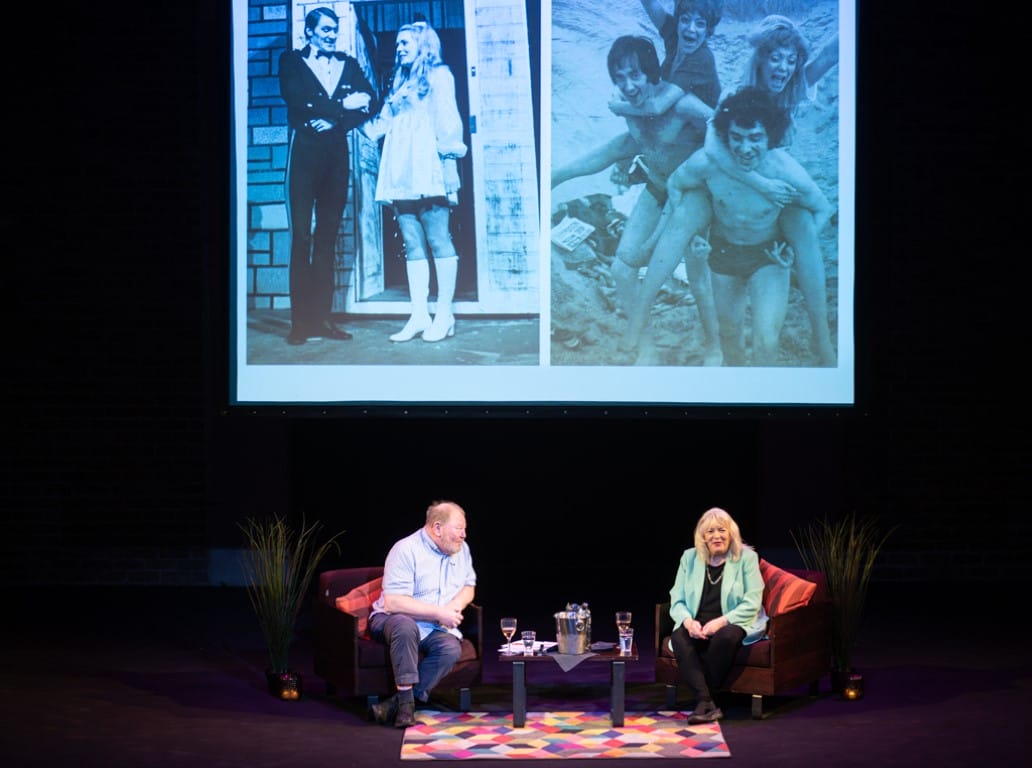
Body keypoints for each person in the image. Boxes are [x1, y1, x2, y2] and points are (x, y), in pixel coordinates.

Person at [551, 25, 722, 363]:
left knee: (698, 276)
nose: (628, 86)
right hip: (657, 189)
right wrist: (561, 176)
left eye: (635, 75)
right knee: (620, 269)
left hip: (691, 196)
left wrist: (709, 186)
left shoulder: (682, 104)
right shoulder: (629, 108)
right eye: (619, 77)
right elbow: (625, 147)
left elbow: (718, 129)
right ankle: (647, 347)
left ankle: (714, 346)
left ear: (650, 72)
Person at [660, 86, 832, 365]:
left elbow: (823, 208)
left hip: (767, 257)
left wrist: (791, 247)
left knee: (767, 342)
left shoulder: (784, 170)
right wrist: (693, 233)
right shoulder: (708, 164)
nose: (745, 148)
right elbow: (675, 185)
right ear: (726, 137)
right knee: (729, 335)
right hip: (723, 254)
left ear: (770, 138)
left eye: (755, 138)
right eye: (736, 138)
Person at [704, 14, 839, 365]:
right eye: (776, 57)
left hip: (777, 184)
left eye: (791, 60)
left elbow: (827, 55)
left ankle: (821, 339)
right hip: (739, 180)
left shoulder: (794, 85)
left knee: (805, 230)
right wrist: (758, 183)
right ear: (761, 58)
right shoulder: (737, 91)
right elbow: (711, 147)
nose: (783, 67)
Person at [362, 21, 468, 343]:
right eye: (397, 45)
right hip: (400, 167)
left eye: (405, 43)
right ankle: (419, 314)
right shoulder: (398, 80)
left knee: (438, 238)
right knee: (411, 241)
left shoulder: (439, 75)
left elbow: (449, 122)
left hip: (428, 166)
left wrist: (449, 163)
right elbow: (382, 123)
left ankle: (445, 313)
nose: (399, 49)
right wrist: (349, 119)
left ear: (423, 45)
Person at [278, 7, 376, 346]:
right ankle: (299, 323)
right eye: (326, 30)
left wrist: (336, 119)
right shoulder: (291, 61)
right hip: (304, 155)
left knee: (327, 239)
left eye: (335, 30)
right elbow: (296, 99)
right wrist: (341, 106)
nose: (332, 35)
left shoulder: (348, 64)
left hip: (336, 157)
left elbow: (369, 100)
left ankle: (322, 318)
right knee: (302, 238)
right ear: (310, 31)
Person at [367, 500, 476, 728]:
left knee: (450, 648)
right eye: (459, 529)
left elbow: (469, 586)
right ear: (437, 528)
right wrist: (439, 612)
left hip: (432, 625)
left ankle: (396, 704)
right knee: (405, 626)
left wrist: (454, 606)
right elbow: (393, 602)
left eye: (465, 529)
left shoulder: (461, 550)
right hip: (390, 618)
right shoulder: (405, 549)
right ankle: (406, 708)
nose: (464, 535)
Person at [667, 506, 766, 724]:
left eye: (721, 530)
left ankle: (704, 700)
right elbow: (677, 598)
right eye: (710, 532)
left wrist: (721, 621)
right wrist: (688, 621)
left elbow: (752, 601)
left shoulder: (746, 558)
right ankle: (708, 704)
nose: (717, 536)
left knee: (727, 636)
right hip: (697, 623)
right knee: (678, 636)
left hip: (735, 620)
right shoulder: (689, 558)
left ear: (731, 533)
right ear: (702, 537)